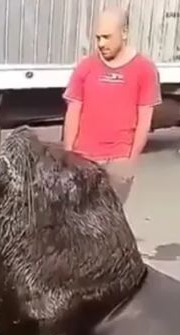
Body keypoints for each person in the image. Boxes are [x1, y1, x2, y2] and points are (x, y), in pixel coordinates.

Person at [63, 8, 161, 204]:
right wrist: (68, 155)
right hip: (84, 159)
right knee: (81, 221)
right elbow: (73, 113)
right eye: (98, 38)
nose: (101, 44)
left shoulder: (145, 69)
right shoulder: (85, 67)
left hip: (119, 161)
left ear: (124, 33)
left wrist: (130, 160)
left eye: (107, 37)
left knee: (109, 222)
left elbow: (144, 120)